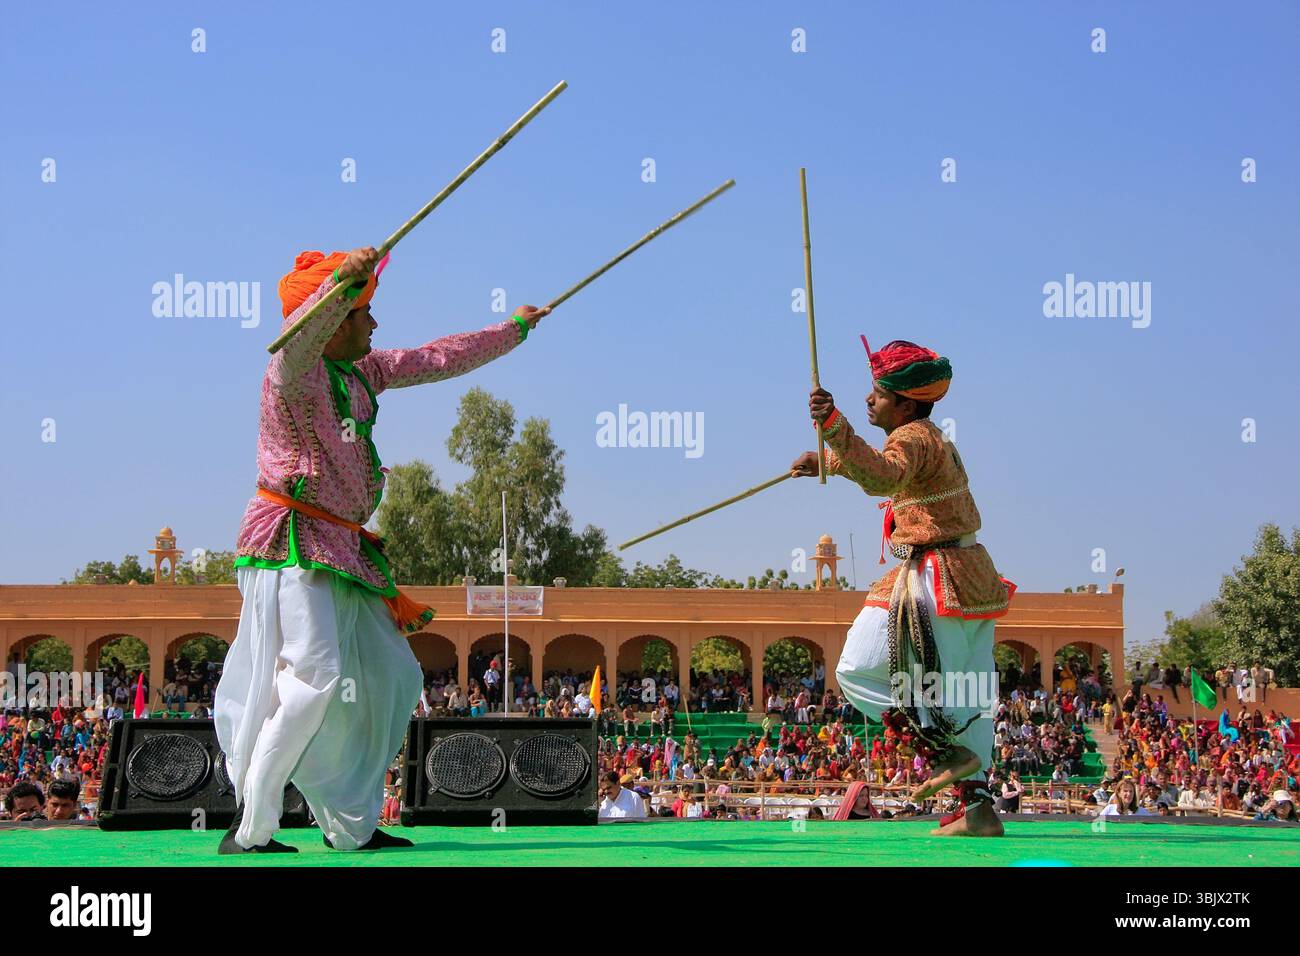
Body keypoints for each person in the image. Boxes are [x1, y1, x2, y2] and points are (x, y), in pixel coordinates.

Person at [215, 246, 549, 854]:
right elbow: (297, 337)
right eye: (364, 313)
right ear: (335, 317)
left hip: (341, 547)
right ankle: (252, 829)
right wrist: (343, 282)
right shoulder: (291, 374)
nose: (374, 324)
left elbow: (438, 357)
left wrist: (514, 329)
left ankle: (350, 827)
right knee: (315, 674)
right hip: (290, 542)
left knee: (395, 676)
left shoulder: (365, 372)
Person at [792, 338, 1013, 837]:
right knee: (966, 692)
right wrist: (829, 462)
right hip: (971, 575)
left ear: (906, 403)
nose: (870, 400)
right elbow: (892, 477)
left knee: (853, 670)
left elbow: (884, 477)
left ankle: (941, 751)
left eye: (879, 393)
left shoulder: (911, 436)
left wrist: (833, 427)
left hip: (938, 574)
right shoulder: (930, 437)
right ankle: (977, 810)